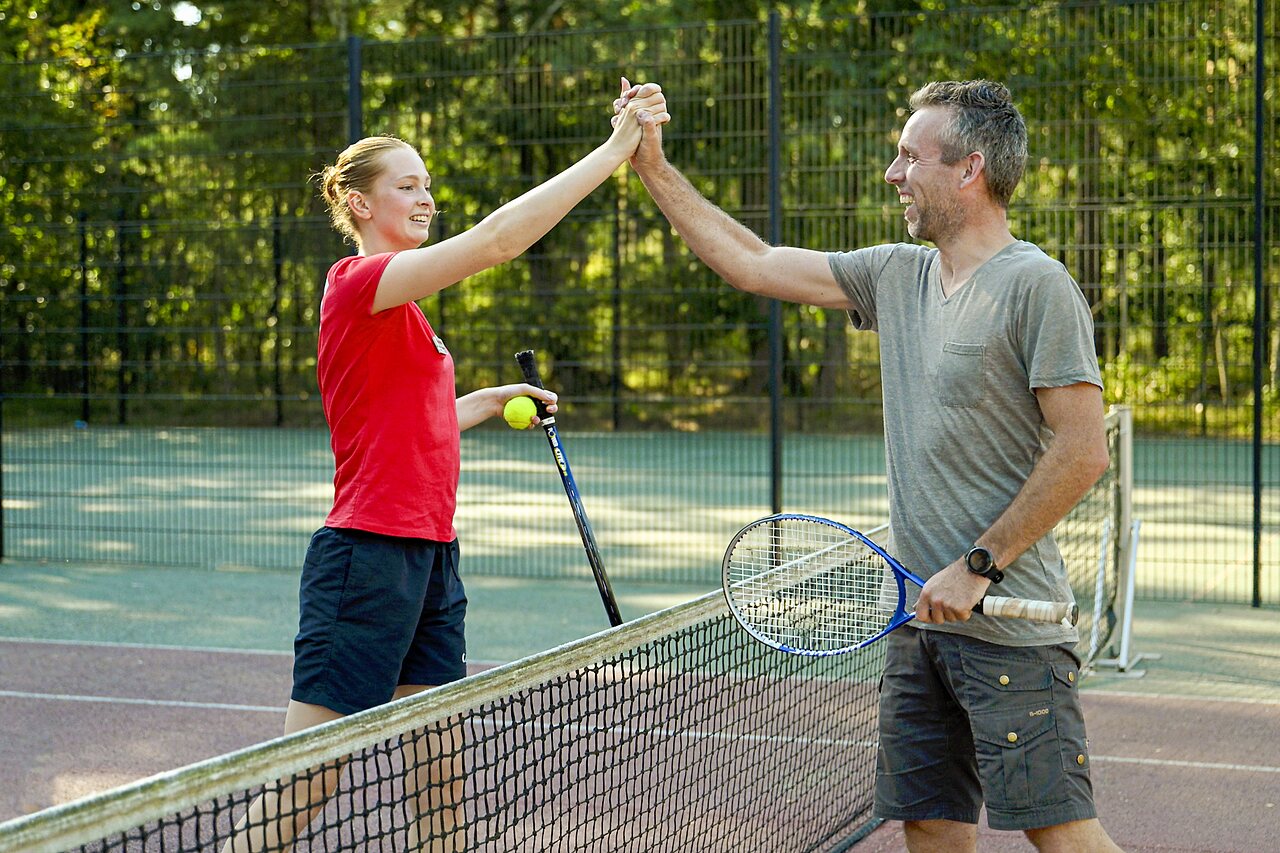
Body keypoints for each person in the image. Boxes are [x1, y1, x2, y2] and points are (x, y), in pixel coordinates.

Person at [617, 78, 1123, 852]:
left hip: (1010, 632)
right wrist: (650, 162)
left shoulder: (1037, 286)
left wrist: (980, 564)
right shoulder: (895, 274)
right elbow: (750, 262)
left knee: (1062, 835)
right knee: (930, 824)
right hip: (919, 628)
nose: (893, 174)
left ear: (969, 169)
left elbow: (1083, 450)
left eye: (908, 156)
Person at [222, 79, 669, 853]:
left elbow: (406, 426)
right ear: (360, 204)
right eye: (406, 185)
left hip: (428, 554)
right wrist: (613, 152)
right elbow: (499, 241)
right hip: (365, 555)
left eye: (428, 183)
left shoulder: (407, 312)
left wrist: (489, 399)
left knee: (441, 767)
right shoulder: (357, 282)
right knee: (310, 774)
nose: (426, 197)